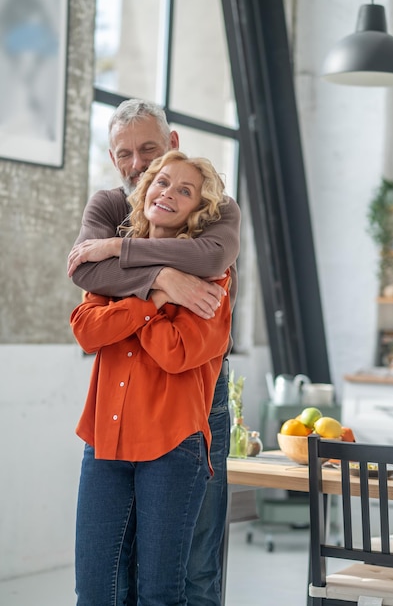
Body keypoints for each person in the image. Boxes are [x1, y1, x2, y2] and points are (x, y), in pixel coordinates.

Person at [67, 99, 241, 605]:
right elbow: (85, 312)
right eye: (126, 154)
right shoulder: (108, 208)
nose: (140, 165)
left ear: (172, 144)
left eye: (149, 149)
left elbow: (176, 346)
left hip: (185, 416)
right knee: (100, 584)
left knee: (189, 574)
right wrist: (159, 287)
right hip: (108, 424)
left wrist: (121, 276)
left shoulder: (219, 215)